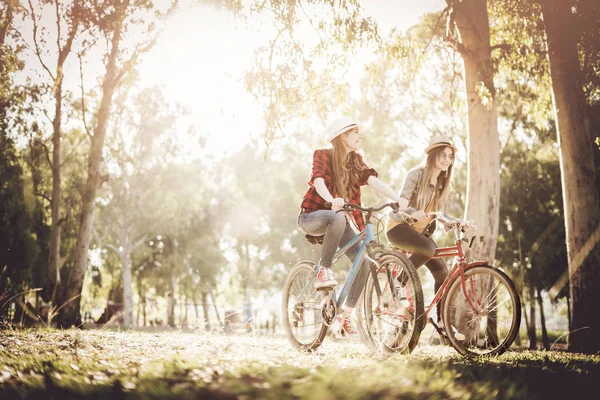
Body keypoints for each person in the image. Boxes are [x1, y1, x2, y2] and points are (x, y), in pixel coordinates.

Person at [298, 116, 401, 336]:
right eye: (355, 132)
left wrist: (396, 198)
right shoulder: (322, 155)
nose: (360, 136)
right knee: (338, 217)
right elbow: (318, 180)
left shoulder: (355, 160)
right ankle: (323, 270)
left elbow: (372, 180)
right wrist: (331, 199)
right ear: (343, 136)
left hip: (339, 218)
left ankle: (345, 313)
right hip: (312, 216)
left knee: (363, 260)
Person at [385, 135, 457, 325]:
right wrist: (413, 213)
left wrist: (459, 223)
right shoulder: (415, 174)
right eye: (443, 155)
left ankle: (440, 320)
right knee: (428, 249)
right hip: (399, 227)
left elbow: (443, 214)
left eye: (450, 157)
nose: (447, 160)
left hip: (420, 234)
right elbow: (401, 203)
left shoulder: (442, 184)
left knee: (442, 271)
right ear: (432, 155)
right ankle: (399, 281)